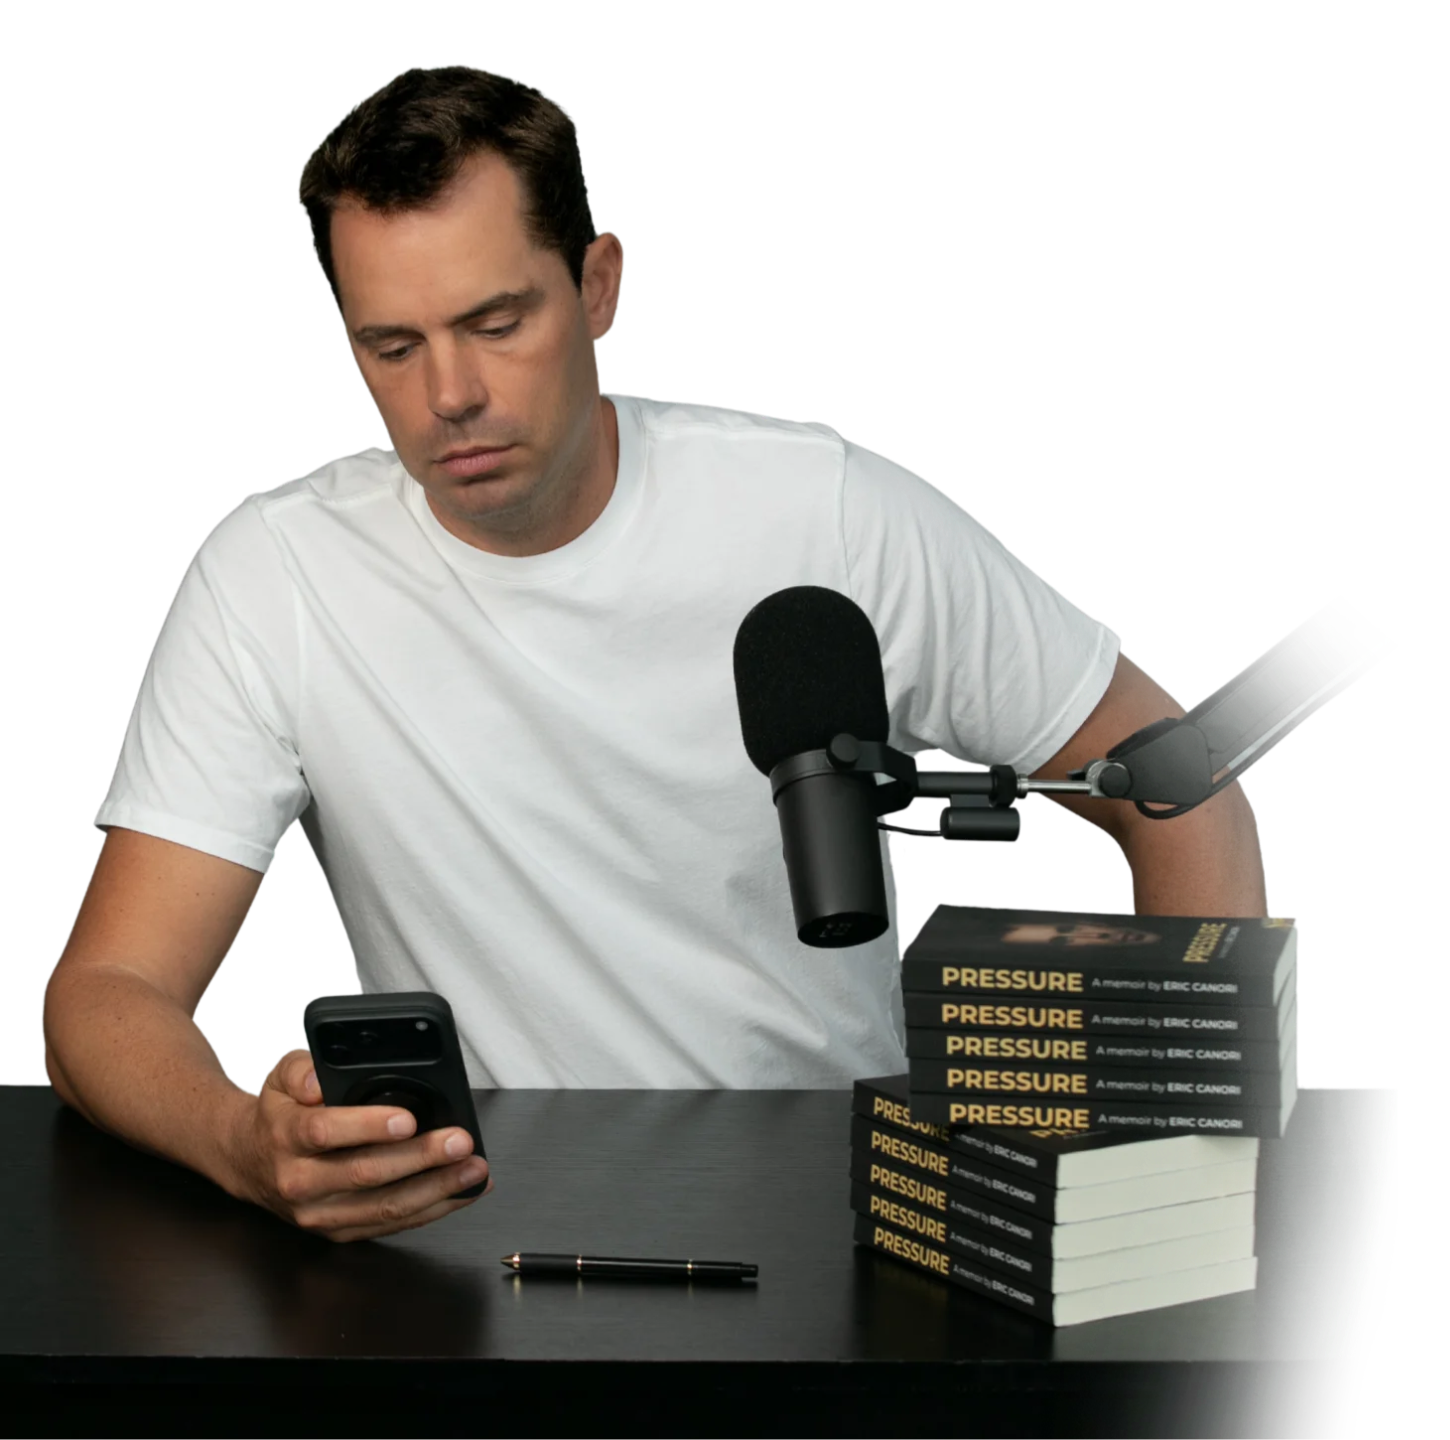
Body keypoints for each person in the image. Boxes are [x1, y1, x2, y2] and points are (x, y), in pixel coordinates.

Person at [42, 66, 1148, 1242]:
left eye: (497, 322)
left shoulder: (825, 513)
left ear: (599, 284)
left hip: (839, 1231)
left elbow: (1173, 785)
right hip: (482, 1254)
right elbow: (105, 994)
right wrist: (239, 1144)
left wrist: (1184, 1178)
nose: (450, 395)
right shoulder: (277, 572)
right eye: (391, 345)